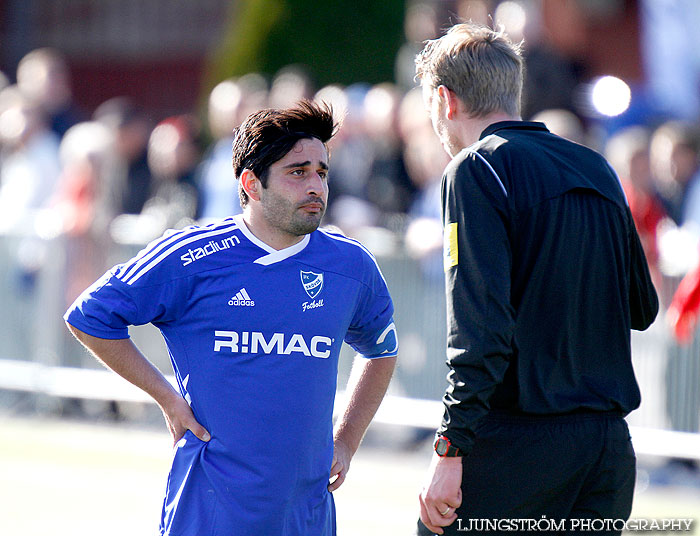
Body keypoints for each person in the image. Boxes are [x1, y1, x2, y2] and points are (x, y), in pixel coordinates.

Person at [63, 101, 398, 535]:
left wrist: (347, 438)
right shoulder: (192, 255)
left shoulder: (350, 265)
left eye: (322, 171)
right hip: (208, 511)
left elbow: (382, 348)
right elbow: (90, 317)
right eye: (298, 172)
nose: (316, 185)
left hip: (305, 513)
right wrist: (167, 397)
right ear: (252, 184)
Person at [413, 22, 658, 535]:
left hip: (520, 443)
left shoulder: (475, 169)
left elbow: (479, 330)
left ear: (444, 100)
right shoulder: (597, 168)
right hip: (606, 449)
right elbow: (642, 307)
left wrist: (449, 446)